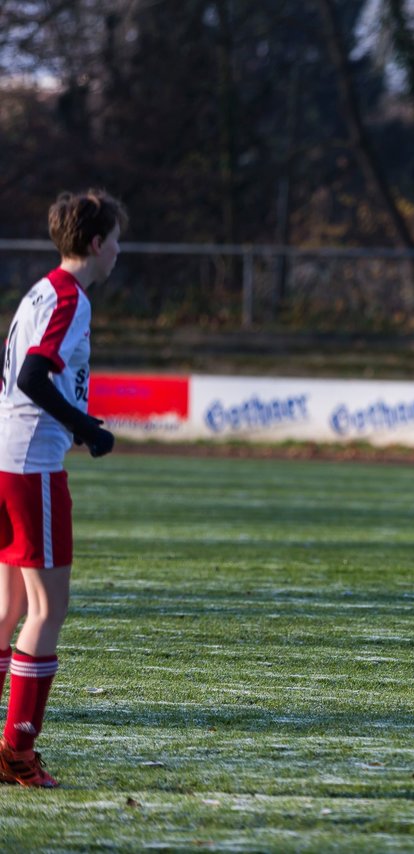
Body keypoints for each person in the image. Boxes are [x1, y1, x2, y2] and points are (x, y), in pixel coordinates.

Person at [0, 190, 122, 787]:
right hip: (31, 467)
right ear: (97, 244)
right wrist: (85, 427)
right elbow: (30, 376)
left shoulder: (39, 290)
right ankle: (17, 753)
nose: (119, 250)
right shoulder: (71, 297)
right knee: (48, 609)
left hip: (4, 458)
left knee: (9, 610)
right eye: (117, 240)